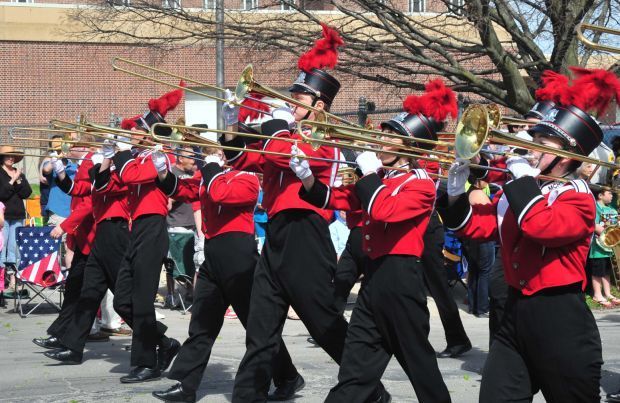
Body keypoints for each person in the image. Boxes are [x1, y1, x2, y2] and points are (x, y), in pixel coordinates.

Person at [227, 25, 390, 402]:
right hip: (277, 234)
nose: (290, 103)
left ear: (319, 105)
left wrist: (275, 123)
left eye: (297, 99)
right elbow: (242, 158)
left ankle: (369, 388)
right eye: (291, 97)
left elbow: (281, 153)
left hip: (306, 236)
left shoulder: (324, 141)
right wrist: (234, 122)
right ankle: (247, 395)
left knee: (325, 325)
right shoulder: (283, 132)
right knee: (260, 325)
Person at [438, 67, 619, 402]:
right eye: (533, 142)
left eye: (541, 144)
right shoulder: (525, 191)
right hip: (513, 316)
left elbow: (541, 226)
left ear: (567, 155)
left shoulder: (579, 198)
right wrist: (453, 191)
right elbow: (475, 227)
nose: (531, 150)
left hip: (560, 321)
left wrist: (520, 179)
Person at [294, 81, 456, 403]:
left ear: (408, 145)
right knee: (353, 374)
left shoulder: (420, 184)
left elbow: (384, 210)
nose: (380, 139)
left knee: (423, 375)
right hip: (373, 282)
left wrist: (368, 175)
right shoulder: (378, 178)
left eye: (389, 135)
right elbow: (338, 199)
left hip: (403, 283)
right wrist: (307, 177)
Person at [151, 146, 300, 402]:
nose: (214, 156)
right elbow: (183, 190)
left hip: (239, 255)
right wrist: (163, 172)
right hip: (213, 254)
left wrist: (212, 169)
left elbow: (222, 196)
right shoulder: (210, 176)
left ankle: (287, 376)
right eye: (212, 152)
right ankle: (186, 385)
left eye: (219, 152)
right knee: (202, 324)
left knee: (257, 326)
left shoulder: (248, 176)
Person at [376, 86, 472, 358]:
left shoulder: (429, 159)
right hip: (406, 221)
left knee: (436, 285)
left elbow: (432, 186)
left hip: (428, 225)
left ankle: (454, 338)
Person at [104, 88, 184, 383]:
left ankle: (146, 364)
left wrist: (123, 153)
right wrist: (105, 157)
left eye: (137, 129)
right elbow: (111, 184)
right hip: (135, 229)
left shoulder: (159, 157)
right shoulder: (136, 158)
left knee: (141, 300)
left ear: (151, 134)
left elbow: (130, 177)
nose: (131, 132)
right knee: (122, 300)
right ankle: (164, 343)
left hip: (153, 228)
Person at [33, 138, 99, 352]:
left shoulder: (93, 163)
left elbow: (89, 202)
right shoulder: (81, 164)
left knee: (121, 298)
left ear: (88, 148)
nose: (72, 149)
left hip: (97, 237)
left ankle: (157, 339)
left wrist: (65, 227)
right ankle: (61, 336)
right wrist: (60, 173)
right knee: (74, 289)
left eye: (78, 145)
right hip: (83, 236)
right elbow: (74, 192)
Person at [164, 146, 197, 309]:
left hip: (193, 227)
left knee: (191, 265)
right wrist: (176, 196)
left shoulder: (193, 173)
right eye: (190, 157)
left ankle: (190, 294)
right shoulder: (173, 175)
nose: (193, 160)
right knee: (175, 265)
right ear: (180, 158)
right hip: (176, 227)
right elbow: (167, 201)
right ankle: (173, 296)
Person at [0, 146, 32, 297]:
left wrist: (18, 180)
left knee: (14, 248)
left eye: (13, 156)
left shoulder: (19, 174)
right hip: (3, 216)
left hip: (18, 215)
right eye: (8, 156)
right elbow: (2, 194)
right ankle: (2, 282)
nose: (11, 158)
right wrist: (12, 180)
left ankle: (13, 279)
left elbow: (27, 193)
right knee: (2, 248)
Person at [588, 188, 620, 308]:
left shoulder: (612, 209)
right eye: (609, 193)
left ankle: (607, 293)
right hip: (598, 247)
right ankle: (597, 294)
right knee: (597, 271)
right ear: (600, 195)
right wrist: (608, 234)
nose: (612, 196)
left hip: (610, 246)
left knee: (606, 271)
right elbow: (593, 224)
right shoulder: (595, 208)